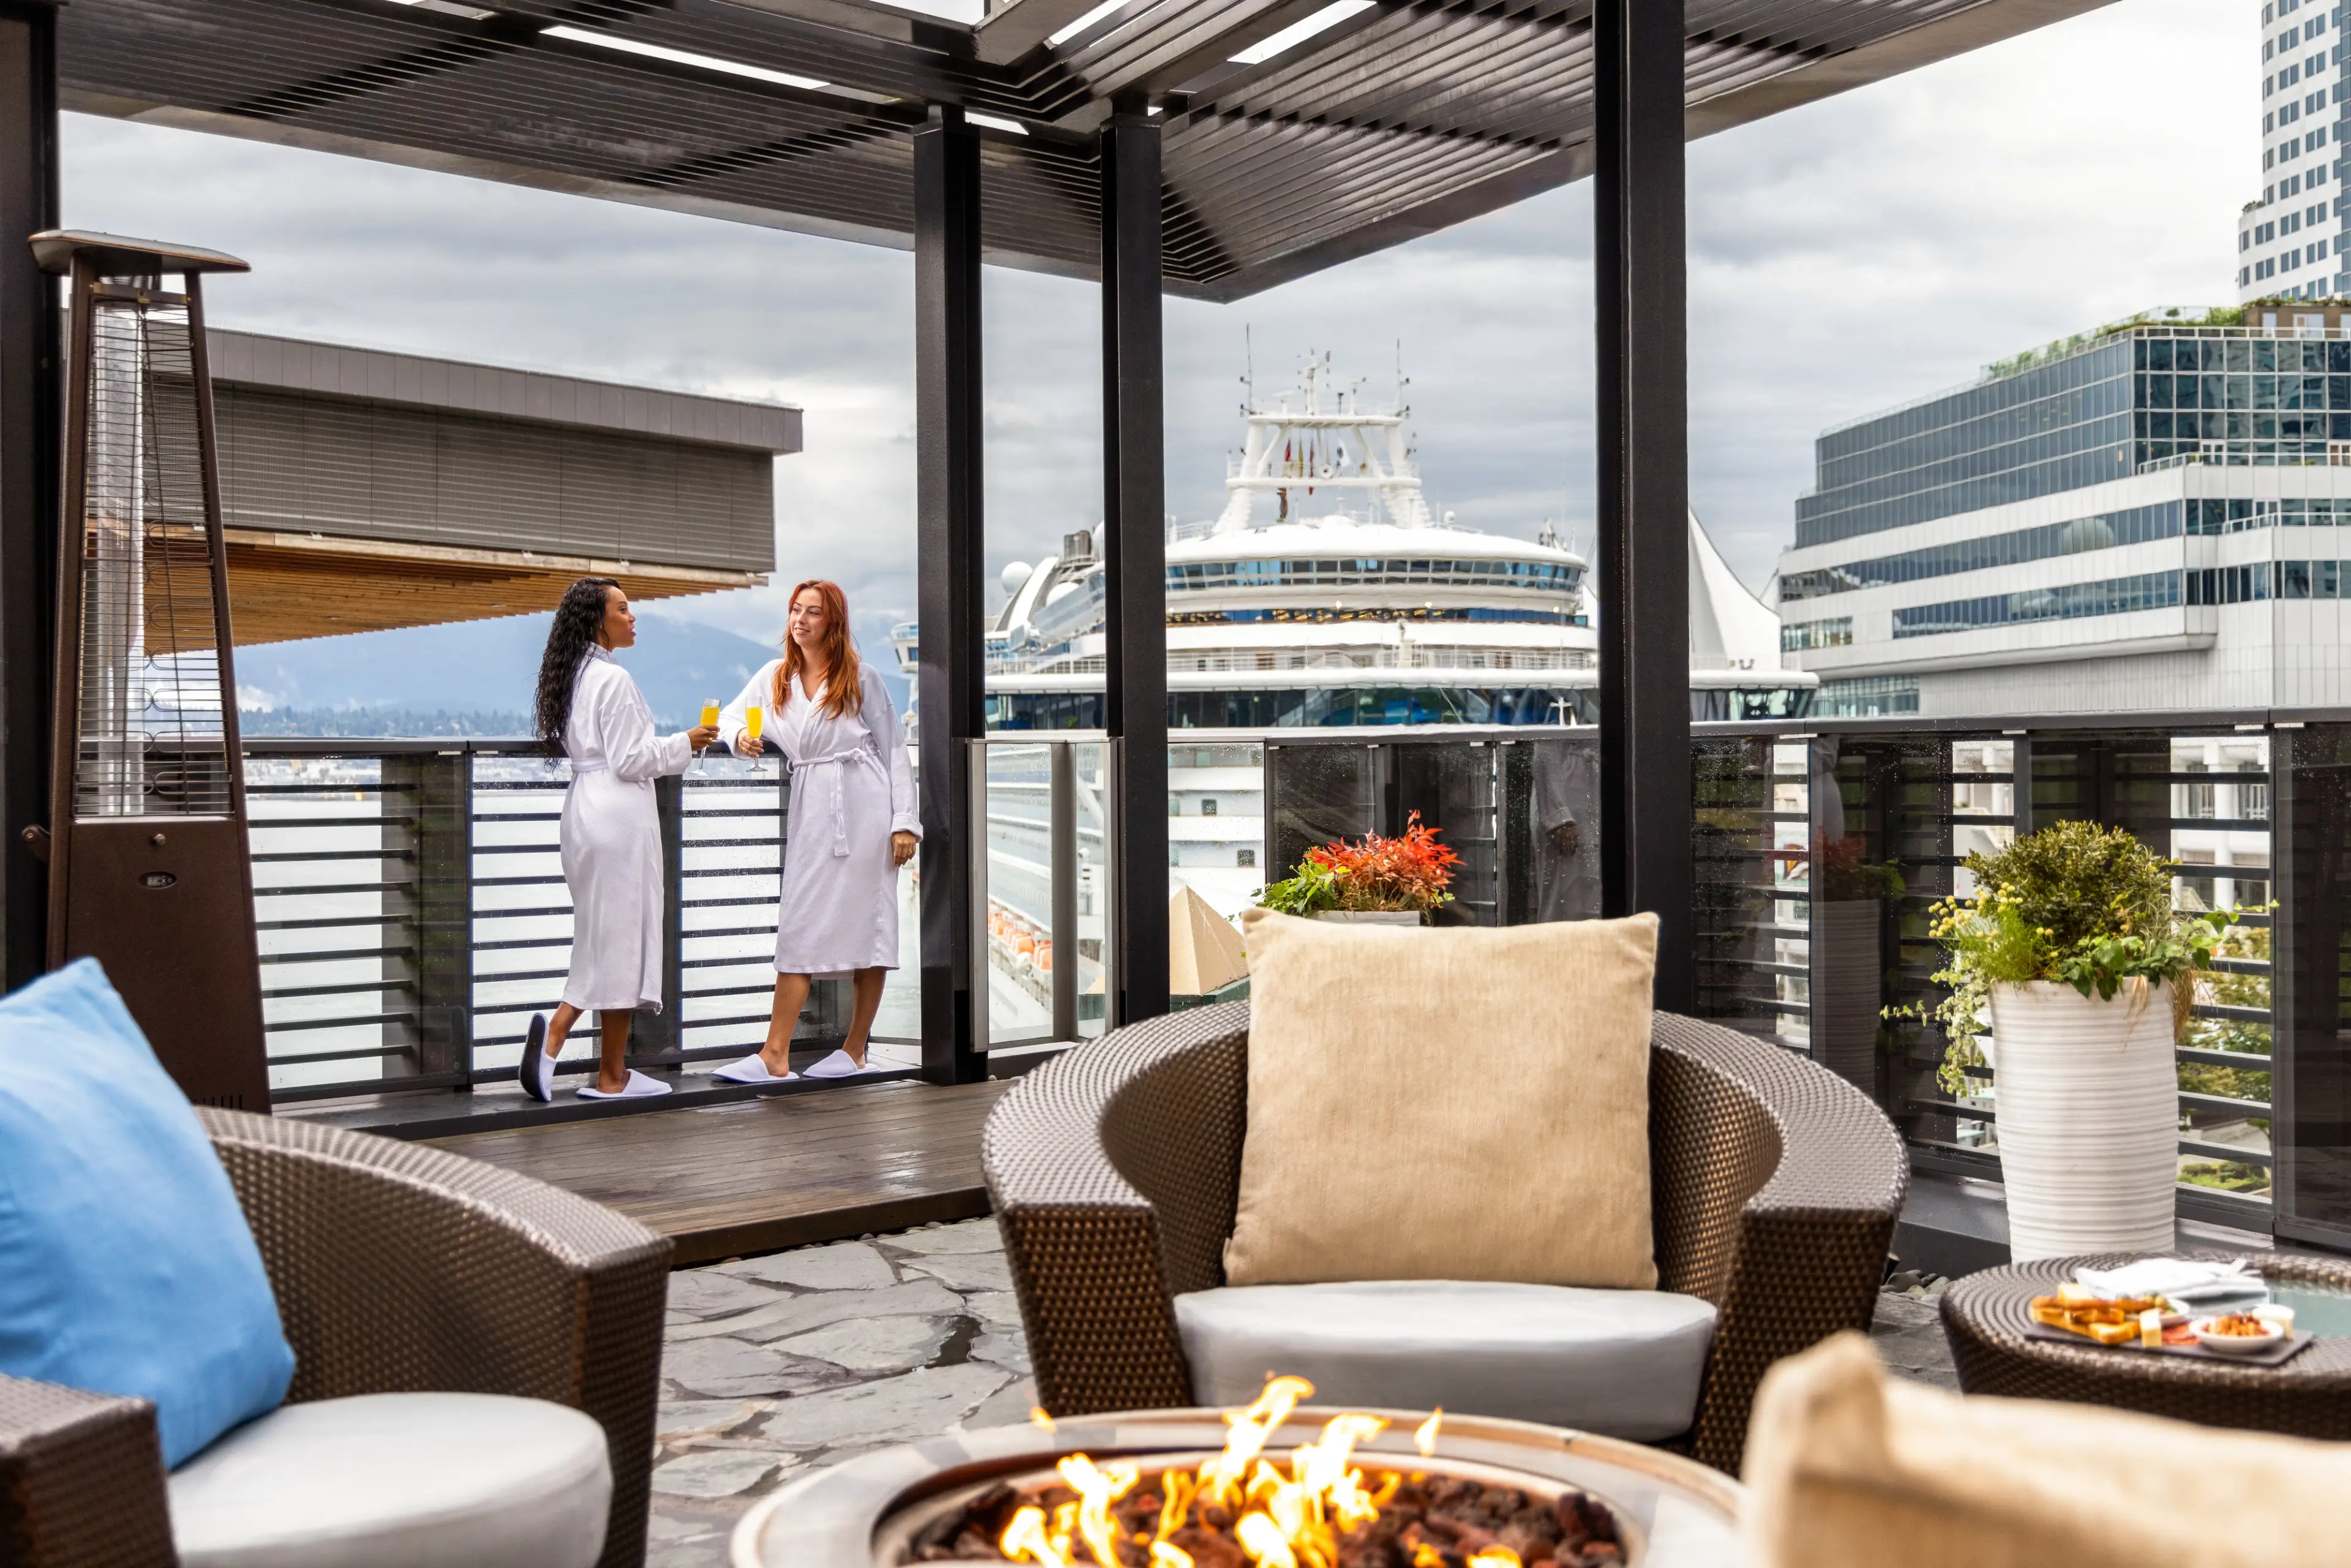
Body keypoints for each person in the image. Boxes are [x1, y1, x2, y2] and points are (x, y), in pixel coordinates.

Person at [713, 579, 918, 1084]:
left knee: (871, 925)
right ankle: (775, 1054)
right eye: (795, 610)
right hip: (811, 810)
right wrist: (739, 737)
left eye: (813, 612)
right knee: (799, 925)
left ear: (834, 623)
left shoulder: (862, 677)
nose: (800, 620)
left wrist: (904, 823)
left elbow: (895, 749)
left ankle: (855, 1049)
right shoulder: (774, 676)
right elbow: (729, 716)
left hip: (865, 811)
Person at [520, 577, 717, 1101]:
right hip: (617, 816)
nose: (633, 617)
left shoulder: (573, 676)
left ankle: (604, 1065)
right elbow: (632, 759)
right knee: (623, 939)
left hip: (584, 810)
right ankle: (592, 1060)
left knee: (601, 935)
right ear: (597, 619)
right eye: (623, 609)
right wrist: (686, 742)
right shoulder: (614, 679)